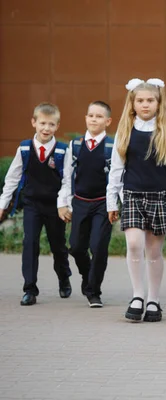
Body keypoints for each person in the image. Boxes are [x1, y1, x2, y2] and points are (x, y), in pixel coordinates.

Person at [106, 78, 166, 323]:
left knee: (154, 251)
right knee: (134, 244)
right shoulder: (125, 129)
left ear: (158, 103)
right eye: (140, 100)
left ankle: (154, 300)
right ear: (132, 103)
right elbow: (115, 169)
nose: (145, 104)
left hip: (161, 196)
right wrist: (111, 201)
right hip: (133, 195)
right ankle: (137, 296)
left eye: (150, 100)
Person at [0, 102, 71, 306]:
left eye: (51, 124)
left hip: (54, 206)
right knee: (29, 243)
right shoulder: (24, 148)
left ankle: (64, 277)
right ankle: (30, 289)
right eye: (42, 123)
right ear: (34, 123)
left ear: (57, 126)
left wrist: (64, 204)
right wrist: (2, 204)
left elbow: (67, 180)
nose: (46, 128)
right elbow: (12, 178)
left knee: (58, 246)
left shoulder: (62, 151)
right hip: (32, 205)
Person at [57, 101, 113, 308]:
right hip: (79, 202)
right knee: (77, 247)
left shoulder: (112, 146)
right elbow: (67, 177)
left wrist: (115, 205)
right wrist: (63, 203)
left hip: (103, 204)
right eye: (90, 115)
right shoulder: (75, 145)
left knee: (98, 246)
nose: (93, 119)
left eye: (99, 116)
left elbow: (117, 178)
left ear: (107, 121)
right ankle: (87, 275)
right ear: (86, 118)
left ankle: (94, 291)